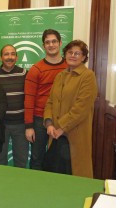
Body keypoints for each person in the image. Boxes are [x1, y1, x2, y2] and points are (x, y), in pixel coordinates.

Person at [44, 40, 97, 178]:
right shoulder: (60, 76)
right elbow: (50, 102)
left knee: (74, 175)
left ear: (84, 57)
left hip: (74, 134)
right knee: (54, 174)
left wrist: (61, 127)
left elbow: (81, 108)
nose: (73, 55)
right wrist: (49, 124)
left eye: (77, 53)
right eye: (70, 52)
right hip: (54, 134)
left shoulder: (88, 76)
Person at [24, 29, 68, 170]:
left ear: (60, 43)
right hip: (39, 120)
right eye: (47, 42)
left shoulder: (69, 67)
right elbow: (29, 99)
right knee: (37, 158)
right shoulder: (36, 69)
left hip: (63, 119)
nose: (51, 45)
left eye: (54, 41)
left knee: (61, 158)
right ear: (43, 46)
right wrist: (29, 127)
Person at [0, 44, 29, 167]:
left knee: (21, 159)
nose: (9, 57)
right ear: (0, 58)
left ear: (17, 57)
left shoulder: (25, 74)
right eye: (6, 54)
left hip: (21, 125)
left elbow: (30, 98)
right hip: (0, 125)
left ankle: (20, 184)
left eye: (12, 54)